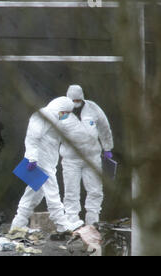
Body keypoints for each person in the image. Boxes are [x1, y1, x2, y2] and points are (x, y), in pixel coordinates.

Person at [10, 96, 84, 233]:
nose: (66, 116)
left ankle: (17, 224)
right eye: (66, 113)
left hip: (47, 161)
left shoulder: (55, 119)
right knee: (52, 192)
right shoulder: (44, 115)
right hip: (40, 161)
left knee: (33, 194)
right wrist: (32, 158)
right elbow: (32, 137)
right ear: (61, 109)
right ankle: (62, 224)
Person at [59, 84, 114, 225]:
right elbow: (51, 132)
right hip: (71, 159)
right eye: (73, 100)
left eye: (77, 100)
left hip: (92, 157)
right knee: (71, 192)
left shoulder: (93, 108)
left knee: (95, 190)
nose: (75, 103)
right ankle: (72, 223)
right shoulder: (61, 110)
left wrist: (107, 147)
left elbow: (104, 127)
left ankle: (93, 223)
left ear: (82, 98)